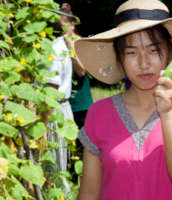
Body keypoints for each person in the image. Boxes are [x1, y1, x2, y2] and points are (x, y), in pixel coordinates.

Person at [75, 0, 172, 199]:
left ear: (169, 52)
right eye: (132, 52)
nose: (144, 63)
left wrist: (166, 113)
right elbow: (89, 193)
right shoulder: (99, 113)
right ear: (120, 58)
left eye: (153, 50)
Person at [45, 3, 82, 195]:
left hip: (53, 110)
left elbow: (51, 87)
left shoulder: (55, 48)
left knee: (54, 168)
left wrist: (42, 123)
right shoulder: (63, 45)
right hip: (62, 108)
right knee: (59, 164)